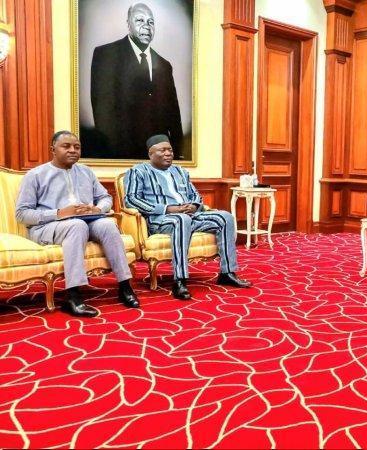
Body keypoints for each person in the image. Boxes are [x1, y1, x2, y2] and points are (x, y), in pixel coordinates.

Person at [15, 131, 140, 317]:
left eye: (77, 147)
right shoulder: (36, 175)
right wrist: (60, 213)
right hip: (48, 227)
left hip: (86, 221)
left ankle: (125, 286)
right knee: (76, 226)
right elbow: (22, 214)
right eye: (66, 146)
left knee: (108, 224)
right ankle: (73, 296)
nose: (73, 150)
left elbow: (105, 197)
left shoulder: (85, 171)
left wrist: (97, 209)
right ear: (53, 150)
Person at [124, 134, 251, 299]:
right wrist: (168, 209)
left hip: (190, 216)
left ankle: (227, 273)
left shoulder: (180, 171)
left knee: (225, 217)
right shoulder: (138, 171)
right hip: (161, 220)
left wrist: (194, 206)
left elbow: (195, 195)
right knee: (181, 220)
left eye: (170, 150)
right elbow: (131, 200)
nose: (168, 153)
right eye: (163, 150)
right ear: (151, 154)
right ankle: (180, 279)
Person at [88, 3, 183, 159]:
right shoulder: (106, 54)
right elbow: (102, 110)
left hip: (158, 158)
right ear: (128, 24)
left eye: (151, 22)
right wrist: (113, 156)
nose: (146, 26)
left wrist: (177, 153)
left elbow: (173, 115)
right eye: (140, 20)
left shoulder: (164, 65)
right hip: (120, 154)